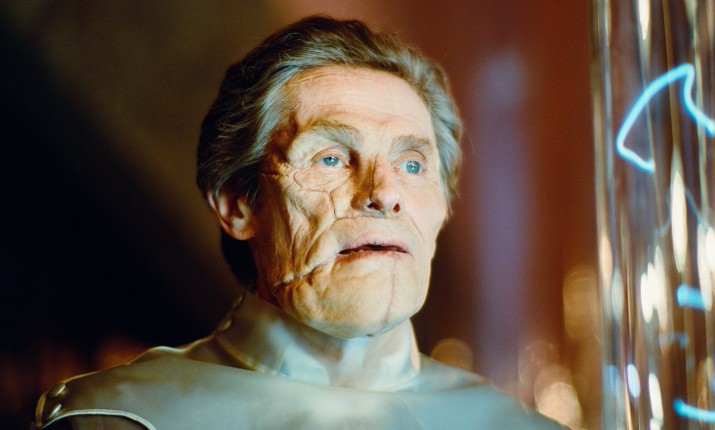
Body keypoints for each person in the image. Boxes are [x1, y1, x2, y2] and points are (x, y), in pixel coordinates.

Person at [32, 16, 563, 429]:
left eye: (411, 165)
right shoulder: (117, 421)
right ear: (238, 206)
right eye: (331, 158)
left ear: (442, 206)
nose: (383, 194)